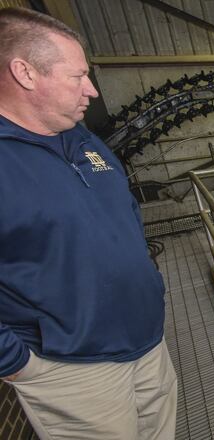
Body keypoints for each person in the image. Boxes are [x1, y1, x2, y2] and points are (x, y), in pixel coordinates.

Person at [0, 7, 177, 439]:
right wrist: (16, 363)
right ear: (25, 73)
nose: (92, 91)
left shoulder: (81, 138)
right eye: (77, 76)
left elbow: (126, 213)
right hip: (72, 367)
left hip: (147, 340)